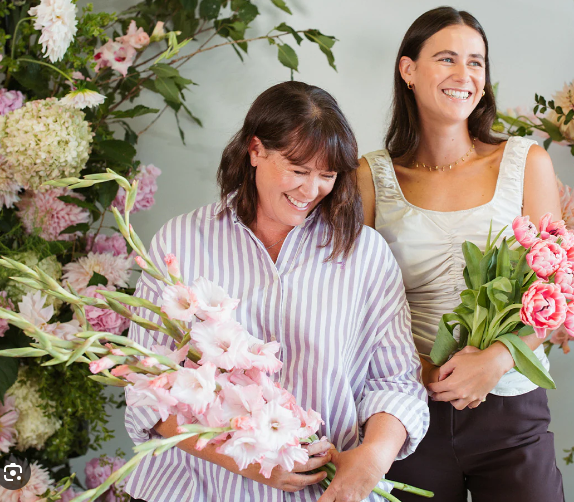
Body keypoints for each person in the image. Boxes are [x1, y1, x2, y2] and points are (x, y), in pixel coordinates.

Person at [123, 81, 429, 502]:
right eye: (298, 170)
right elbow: (147, 387)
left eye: (327, 175)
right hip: (199, 488)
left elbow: (397, 381)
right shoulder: (181, 242)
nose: (311, 190)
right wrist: (241, 457)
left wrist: (373, 457)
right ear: (255, 151)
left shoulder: (364, 254)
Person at [357, 7, 565, 502]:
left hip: (512, 408)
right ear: (408, 70)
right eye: (447, 58)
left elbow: (561, 291)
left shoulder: (526, 161)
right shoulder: (370, 176)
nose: (464, 75)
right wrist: (423, 371)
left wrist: (497, 358)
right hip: (407, 410)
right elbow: (353, 302)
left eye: (476, 62)